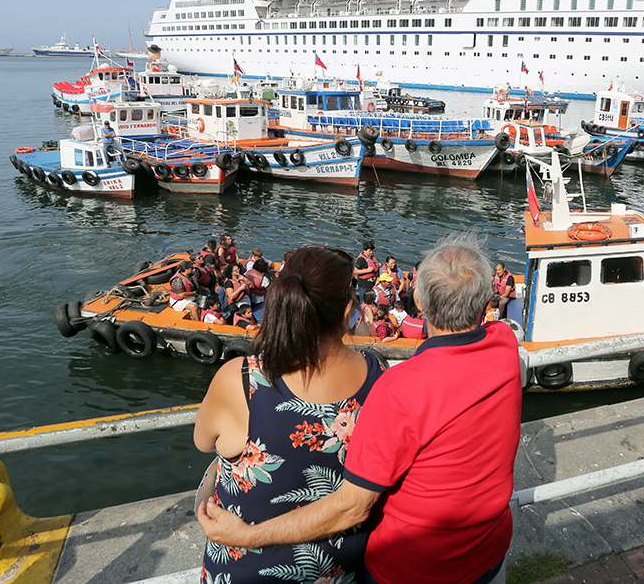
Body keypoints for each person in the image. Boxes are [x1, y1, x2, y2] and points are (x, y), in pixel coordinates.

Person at [198, 233, 523, 584]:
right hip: (473, 553)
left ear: (417, 298)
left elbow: (353, 505)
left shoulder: (242, 378)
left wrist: (245, 536)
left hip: (408, 569)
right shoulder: (503, 346)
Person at [194, 246, 383, 584]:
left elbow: (203, 442)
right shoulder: (378, 376)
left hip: (244, 569)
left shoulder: (241, 379)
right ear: (348, 310)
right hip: (339, 569)